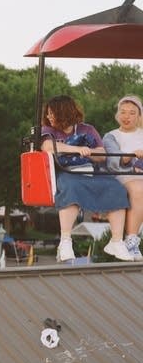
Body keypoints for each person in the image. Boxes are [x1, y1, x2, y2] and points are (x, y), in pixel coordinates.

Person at [41, 94, 132, 262]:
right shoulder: (48, 131)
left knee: (116, 188)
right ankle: (65, 240)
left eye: (52, 113)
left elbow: (102, 154)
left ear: (64, 113)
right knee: (71, 188)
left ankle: (116, 241)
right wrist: (76, 149)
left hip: (89, 170)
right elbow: (48, 147)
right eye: (48, 114)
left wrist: (89, 152)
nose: (48, 117)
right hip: (65, 172)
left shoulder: (87, 130)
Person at [103, 95, 143, 260]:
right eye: (123, 112)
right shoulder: (111, 136)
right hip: (123, 175)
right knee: (139, 188)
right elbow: (114, 162)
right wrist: (132, 156)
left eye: (132, 113)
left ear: (139, 116)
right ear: (117, 115)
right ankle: (132, 241)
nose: (126, 116)